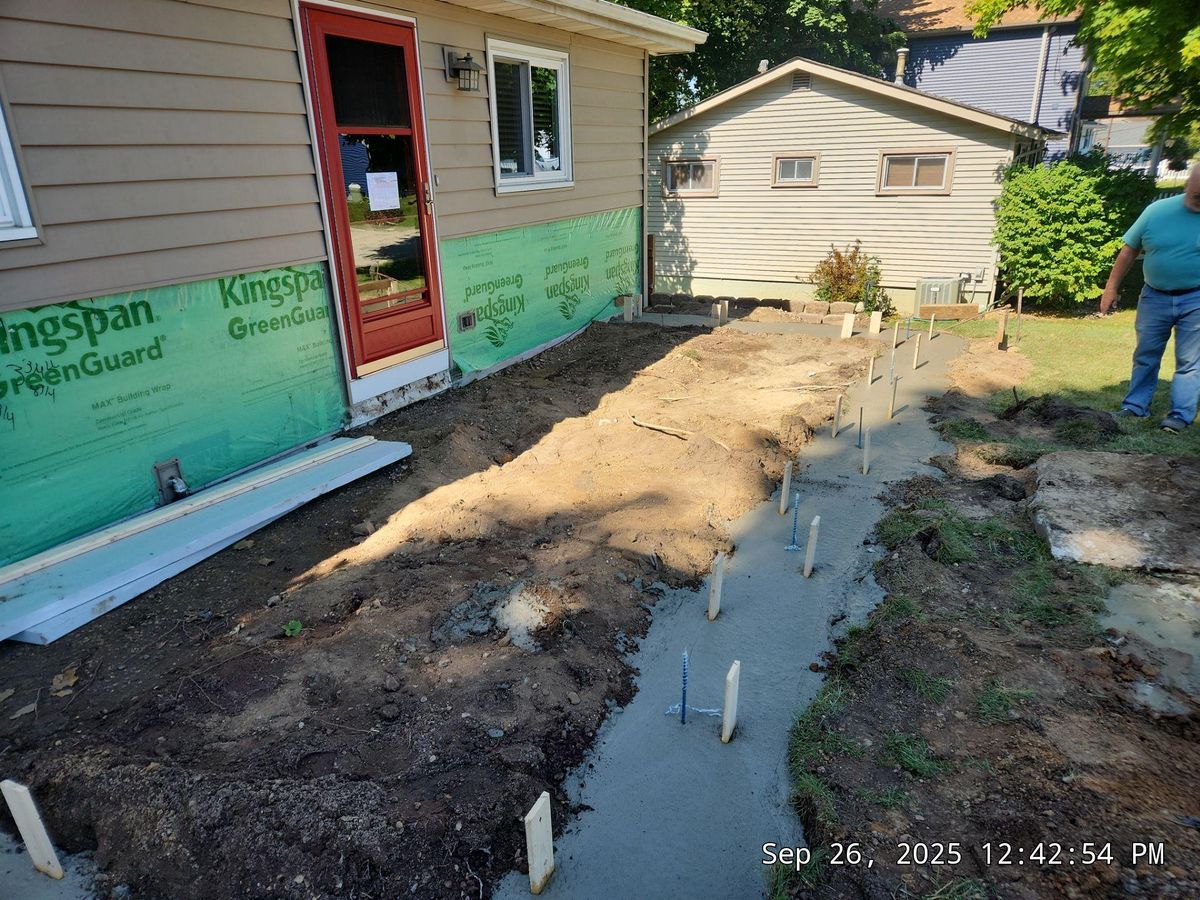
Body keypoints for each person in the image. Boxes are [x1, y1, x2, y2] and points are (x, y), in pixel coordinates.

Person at [1101, 165, 1200, 433]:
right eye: (1197, 197)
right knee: (1146, 354)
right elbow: (1128, 250)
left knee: (1190, 360)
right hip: (1154, 295)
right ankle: (1135, 406)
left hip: (1196, 299)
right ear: (1186, 187)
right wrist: (1111, 288)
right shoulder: (1157, 212)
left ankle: (1179, 415)